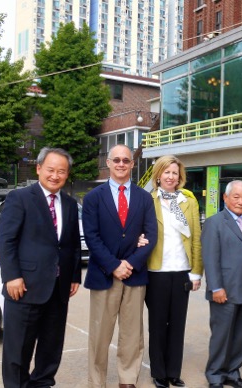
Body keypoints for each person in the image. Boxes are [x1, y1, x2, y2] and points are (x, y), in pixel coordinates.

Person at [0, 147, 82, 388]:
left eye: (62, 171)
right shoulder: (20, 198)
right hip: (23, 288)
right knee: (18, 352)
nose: (55, 176)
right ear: (39, 168)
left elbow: (72, 244)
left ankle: (43, 384)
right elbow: (7, 240)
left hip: (58, 289)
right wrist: (11, 276)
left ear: (67, 174)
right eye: (51, 170)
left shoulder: (68, 203)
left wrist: (74, 275)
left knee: (50, 349)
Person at [83, 144, 158, 388]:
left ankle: (127, 379)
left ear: (132, 164)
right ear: (108, 163)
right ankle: (97, 381)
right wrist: (114, 265)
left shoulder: (144, 198)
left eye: (126, 160)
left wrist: (131, 263)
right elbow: (92, 237)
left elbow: (151, 236)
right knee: (99, 334)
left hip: (134, 276)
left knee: (131, 334)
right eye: (116, 160)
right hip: (105, 275)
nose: (121, 164)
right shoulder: (93, 198)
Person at [145, 155, 203, 388]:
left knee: (177, 324)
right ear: (158, 175)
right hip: (156, 271)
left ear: (180, 177)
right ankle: (159, 372)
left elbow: (196, 238)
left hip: (181, 271)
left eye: (175, 173)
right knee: (158, 324)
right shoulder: (148, 200)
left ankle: (173, 372)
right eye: (166, 172)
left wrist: (196, 272)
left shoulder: (188, 201)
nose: (171, 176)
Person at [202, 180, 242, 388]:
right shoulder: (214, 222)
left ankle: (232, 372)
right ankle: (215, 375)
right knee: (222, 335)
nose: (241, 201)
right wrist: (216, 287)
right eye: (236, 197)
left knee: (241, 335)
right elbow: (210, 258)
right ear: (225, 198)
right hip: (225, 290)